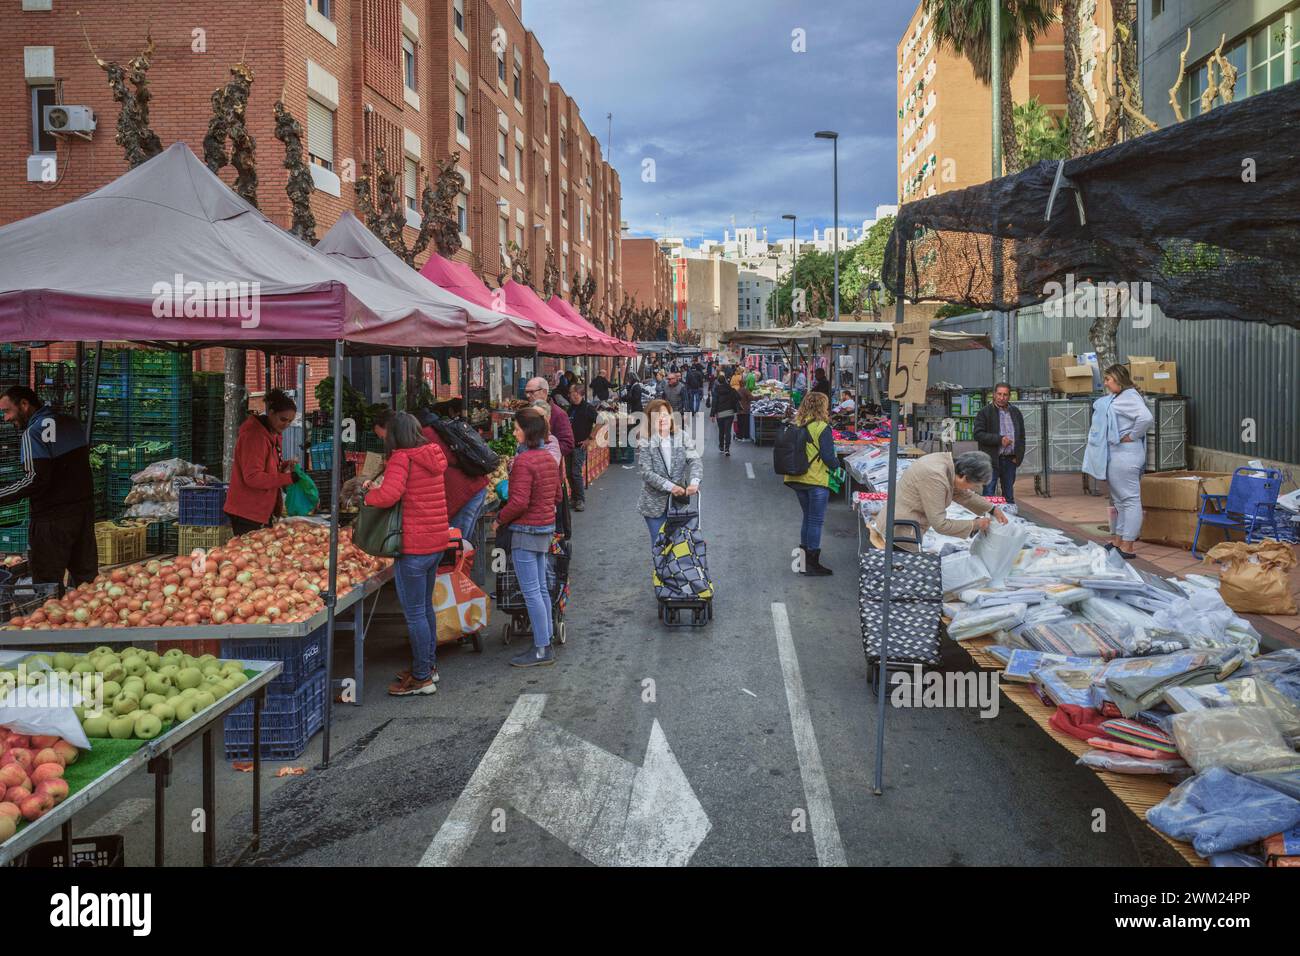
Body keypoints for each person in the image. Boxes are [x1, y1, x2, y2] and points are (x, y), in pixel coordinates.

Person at [361, 412, 451, 695]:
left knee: (414, 614)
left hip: (413, 546)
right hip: (436, 542)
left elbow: (389, 495)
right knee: (424, 608)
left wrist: (367, 495)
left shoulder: (402, 457)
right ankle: (428, 666)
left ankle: (422, 676)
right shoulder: (432, 453)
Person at [0, 385, 97, 589]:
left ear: (24, 405)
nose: (6, 418)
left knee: (46, 585)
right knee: (86, 580)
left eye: (7, 411)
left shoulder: (32, 434)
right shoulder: (71, 423)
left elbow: (36, 479)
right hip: (82, 514)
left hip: (51, 520)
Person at [497, 407, 564, 667]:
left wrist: (501, 519)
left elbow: (518, 502)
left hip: (526, 531)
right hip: (545, 528)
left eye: (516, 428)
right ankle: (545, 638)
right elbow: (558, 496)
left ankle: (541, 648)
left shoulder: (524, 462)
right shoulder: (549, 458)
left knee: (532, 591)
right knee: (541, 590)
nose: (514, 433)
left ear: (527, 431)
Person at [378, 408, 490, 544]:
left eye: (383, 437)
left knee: (456, 549)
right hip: (474, 487)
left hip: (463, 494)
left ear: (392, 429)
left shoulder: (419, 442)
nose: (384, 441)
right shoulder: (425, 433)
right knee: (463, 546)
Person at [870, 450, 1006, 553]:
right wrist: (974, 524)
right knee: (902, 575)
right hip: (900, 530)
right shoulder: (936, 477)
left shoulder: (947, 465)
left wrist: (992, 509)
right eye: (975, 486)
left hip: (902, 522)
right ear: (964, 477)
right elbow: (940, 524)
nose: (973, 489)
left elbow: (963, 495)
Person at [1083, 364, 1153, 559]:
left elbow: (1146, 418)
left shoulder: (1129, 397)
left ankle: (1128, 546)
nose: (1105, 383)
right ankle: (1119, 541)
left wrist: (1132, 435)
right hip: (1119, 455)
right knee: (1121, 501)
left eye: (1108, 379)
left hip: (1126, 455)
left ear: (1118, 379)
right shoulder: (1122, 396)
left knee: (1129, 500)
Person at [224, 388, 299, 536]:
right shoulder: (254, 437)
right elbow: (253, 477)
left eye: (290, 421)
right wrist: (287, 478)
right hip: (247, 511)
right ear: (271, 412)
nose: (286, 425)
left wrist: (284, 466)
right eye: (283, 419)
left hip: (260, 509)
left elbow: (266, 466)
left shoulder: (273, 433)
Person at [782, 392, 841, 576]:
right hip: (815, 479)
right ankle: (812, 564)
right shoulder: (821, 427)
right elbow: (828, 457)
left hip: (796, 478)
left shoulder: (796, 423)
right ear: (822, 407)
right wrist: (838, 466)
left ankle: (803, 561)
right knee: (816, 520)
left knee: (807, 518)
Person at [636, 398, 702, 547]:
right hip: (653, 504)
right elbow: (646, 472)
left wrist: (694, 481)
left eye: (664, 415)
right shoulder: (646, 440)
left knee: (678, 545)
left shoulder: (682, 436)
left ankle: (675, 571)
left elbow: (694, 460)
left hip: (678, 503)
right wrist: (670, 486)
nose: (661, 419)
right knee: (660, 545)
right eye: (656, 416)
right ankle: (660, 571)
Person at [973, 382, 1026, 506]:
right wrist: (999, 439)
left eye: (1005, 395)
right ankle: (988, 522)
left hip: (1010, 460)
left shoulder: (1015, 412)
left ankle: (1009, 522)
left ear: (1009, 396)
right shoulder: (985, 412)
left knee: (1009, 495)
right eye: (999, 394)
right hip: (991, 460)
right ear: (994, 395)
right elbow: (978, 434)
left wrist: (1018, 457)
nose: (1002, 398)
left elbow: (1022, 436)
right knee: (989, 495)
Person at [567, 383, 599, 512]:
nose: (570, 396)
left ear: (579, 394)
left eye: (573, 393)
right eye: (570, 394)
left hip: (580, 445)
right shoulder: (570, 408)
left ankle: (580, 500)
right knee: (569, 473)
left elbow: (601, 421)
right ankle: (574, 498)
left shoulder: (588, 408)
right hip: (569, 444)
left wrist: (590, 438)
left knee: (575, 473)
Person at [525, 376, 574, 457]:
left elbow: (568, 444)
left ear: (544, 392)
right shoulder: (528, 410)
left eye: (531, 392)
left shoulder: (558, 414)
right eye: (526, 392)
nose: (527, 396)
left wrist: (545, 455)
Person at [711, 371, 739, 456]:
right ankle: (727, 448)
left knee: (721, 431)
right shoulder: (731, 389)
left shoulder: (716, 390)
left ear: (718, 381)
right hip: (730, 412)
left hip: (720, 413)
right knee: (728, 431)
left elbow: (714, 402)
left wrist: (712, 414)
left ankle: (721, 446)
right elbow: (738, 398)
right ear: (726, 381)